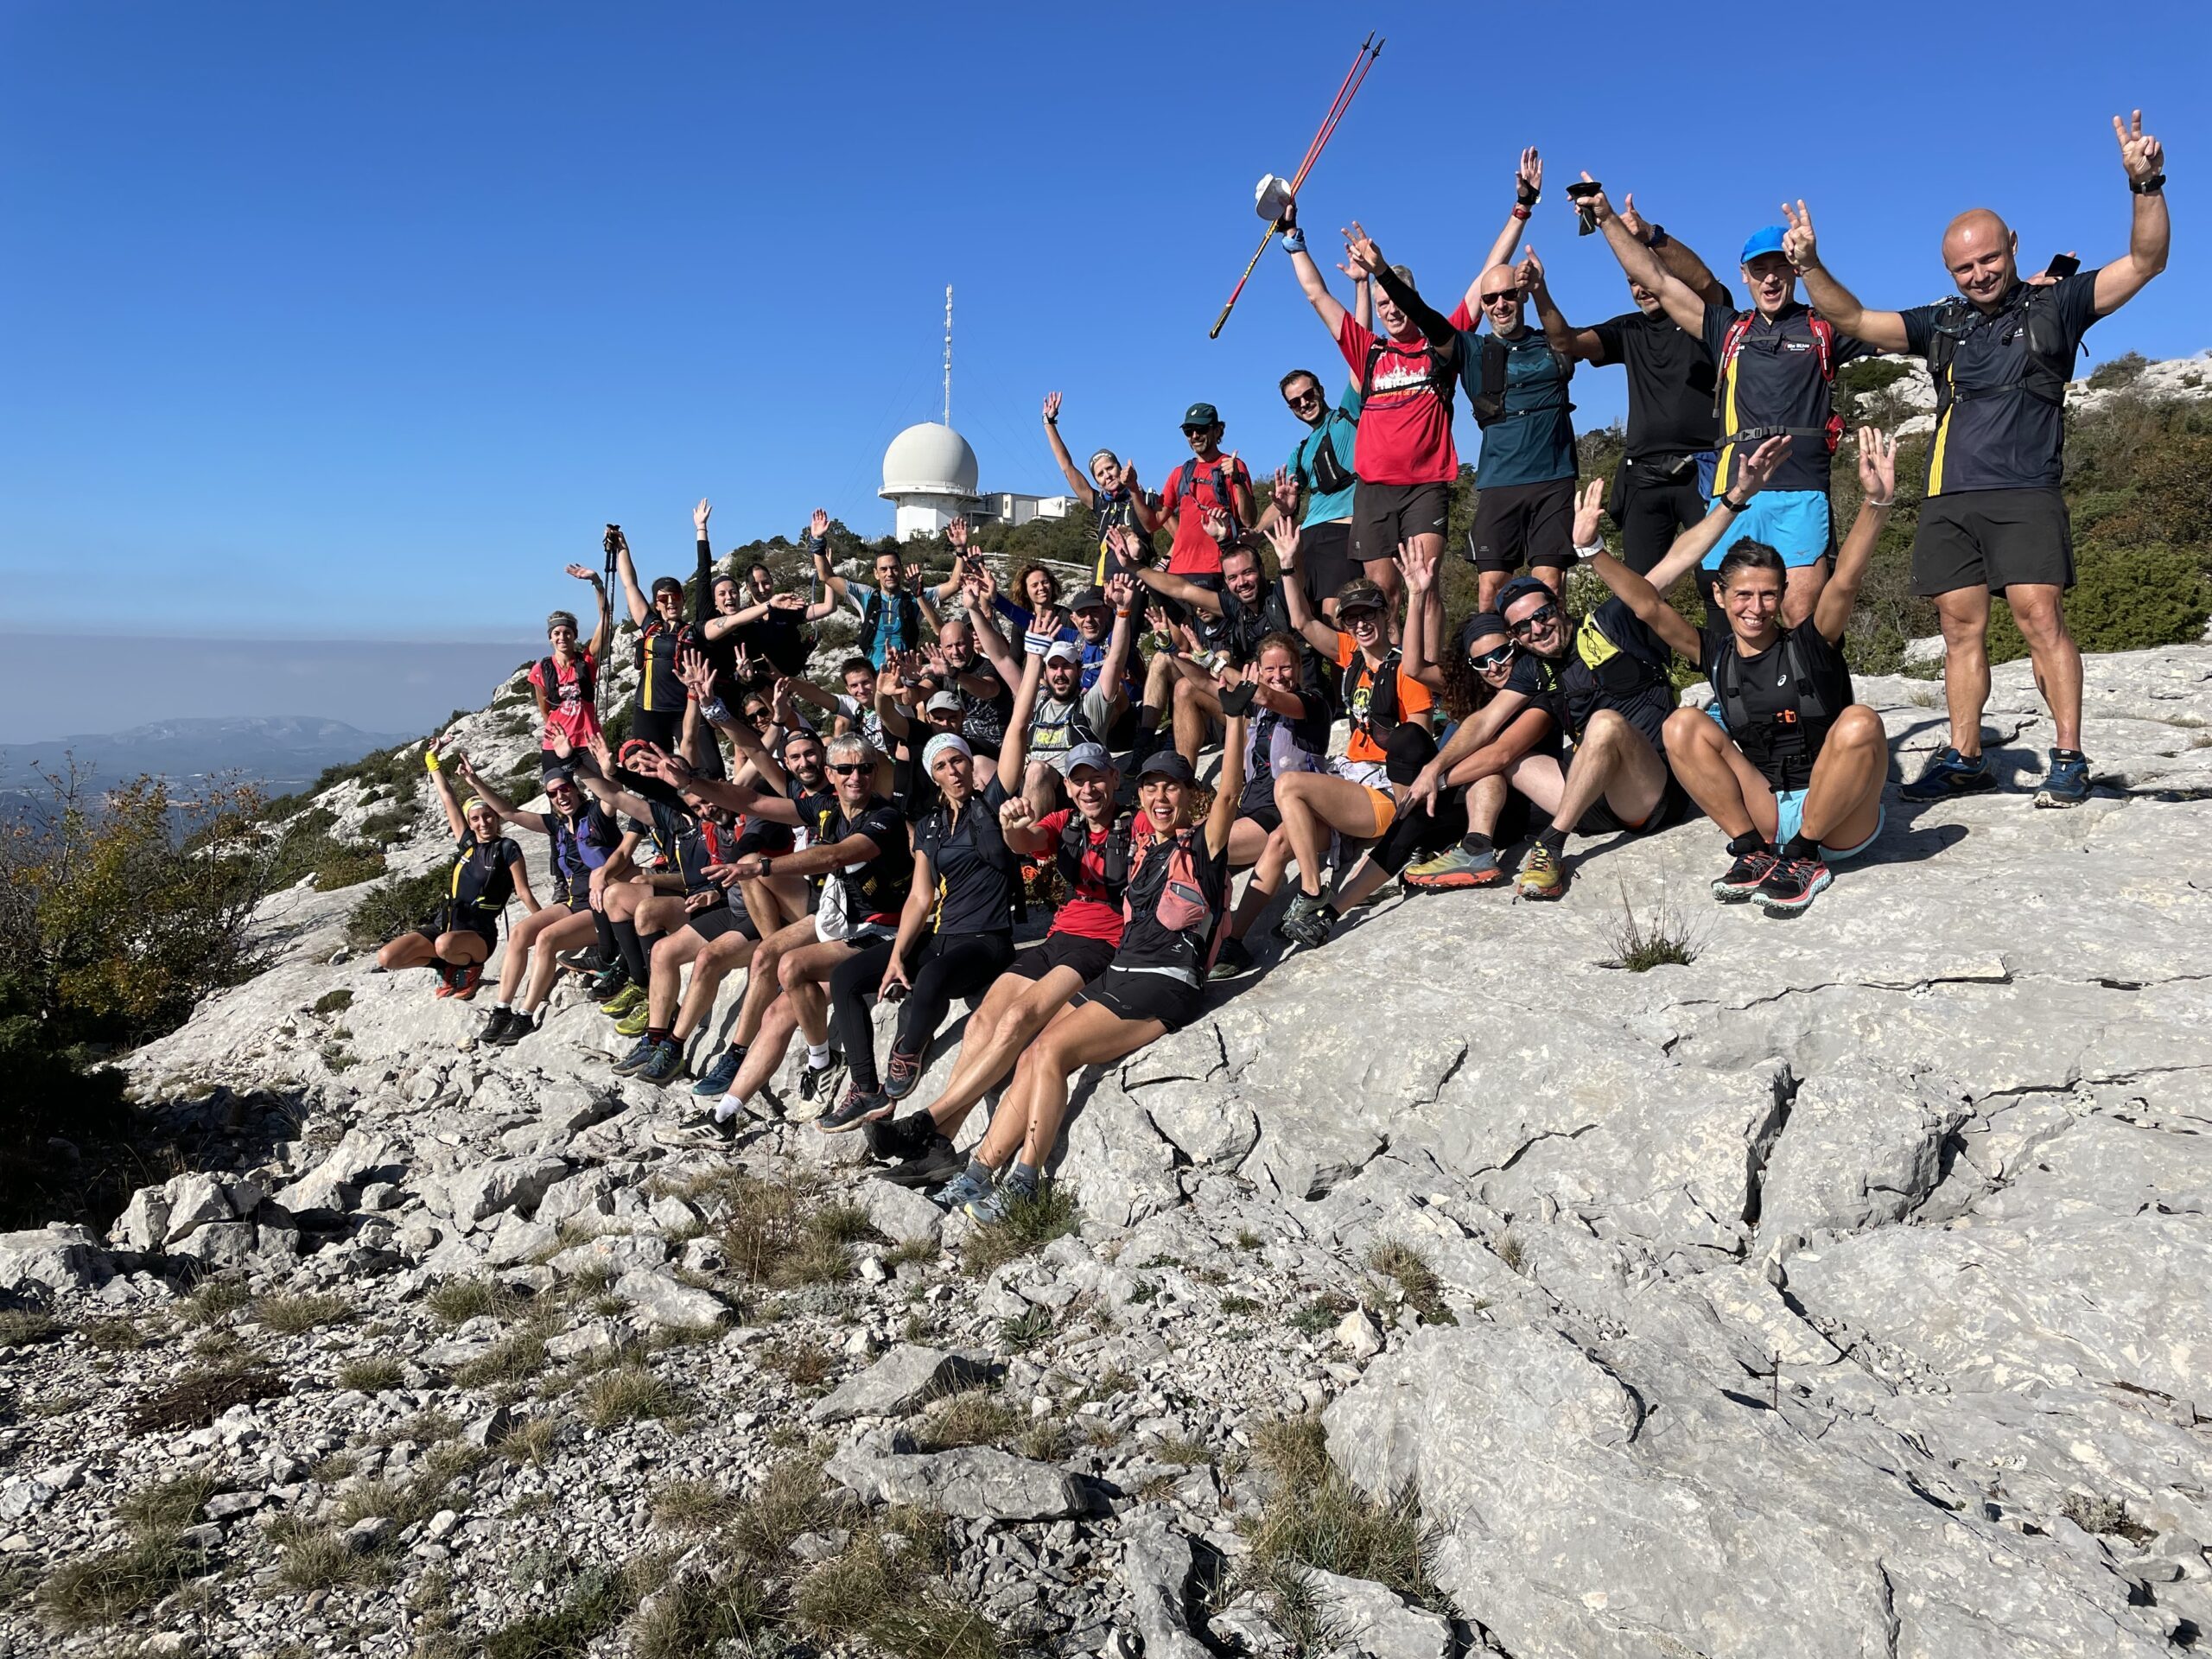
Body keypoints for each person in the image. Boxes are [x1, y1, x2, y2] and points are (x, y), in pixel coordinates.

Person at [1784, 110, 2171, 808]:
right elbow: (1851, 319)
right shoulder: (1943, 323)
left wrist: (2146, 186)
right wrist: (1809, 266)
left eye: (1989, 259)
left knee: (2039, 618)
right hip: (1949, 498)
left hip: (2025, 490)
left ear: (2012, 247)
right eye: (1963, 267)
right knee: (1960, 629)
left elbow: (2145, 262)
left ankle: (2068, 756)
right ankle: (1965, 756)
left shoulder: (2059, 307)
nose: (1979, 274)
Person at [1402, 435, 1800, 900]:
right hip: (1594, 801)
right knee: (1508, 755)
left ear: (1559, 606)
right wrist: (1434, 768)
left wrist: (1734, 498)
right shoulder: (1534, 667)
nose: (1537, 629)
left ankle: (1551, 844)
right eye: (1523, 627)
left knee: (1606, 724)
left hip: (1650, 793)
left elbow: (1679, 557)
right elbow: (1484, 721)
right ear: (1514, 637)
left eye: (1543, 614)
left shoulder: (1612, 620)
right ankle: (1477, 847)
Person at [1567, 429, 1899, 914]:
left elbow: (1844, 582)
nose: (1757, 608)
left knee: (1861, 722)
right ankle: (1753, 851)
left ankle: (1805, 859)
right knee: (1682, 724)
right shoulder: (1717, 653)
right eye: (1743, 595)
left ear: (1783, 594)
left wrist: (1875, 503)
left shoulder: (1810, 643)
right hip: (1768, 809)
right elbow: (1646, 606)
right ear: (1721, 596)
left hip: (1839, 817)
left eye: (1769, 594)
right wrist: (1591, 549)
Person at [932, 728, 1245, 1224]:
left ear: (1190, 794)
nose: (1161, 798)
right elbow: (1041, 839)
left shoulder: (1202, 847)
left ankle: (1025, 1184)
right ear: (1139, 795)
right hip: (1122, 971)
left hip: (1165, 981)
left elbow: (1230, 792)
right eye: (1152, 788)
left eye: (1172, 787)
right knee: (1033, 1050)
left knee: (1054, 1052)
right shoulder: (1143, 846)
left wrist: (1235, 720)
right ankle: (976, 1172)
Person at [1581, 176, 1873, 624]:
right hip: (1735, 489)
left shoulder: (1823, 326)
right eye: (1759, 269)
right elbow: (1656, 279)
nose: (1770, 277)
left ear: (1794, 269)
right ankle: (1742, 693)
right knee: (1735, 611)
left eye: (1780, 266)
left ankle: (1809, 695)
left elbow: (1869, 322)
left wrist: (1815, 266)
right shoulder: (1729, 329)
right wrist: (1605, 220)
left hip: (1801, 488)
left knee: (1800, 612)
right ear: (1745, 275)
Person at [863, 737, 1130, 1187]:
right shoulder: (1066, 820)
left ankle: (928, 1120)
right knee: (982, 1022)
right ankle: (941, 1147)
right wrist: (1011, 825)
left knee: (1019, 1019)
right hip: (1059, 935)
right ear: (1067, 786)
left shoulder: (1135, 823)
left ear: (1114, 779)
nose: (1088, 789)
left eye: (1097, 778)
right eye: (1079, 780)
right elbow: (1027, 840)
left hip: (1102, 942)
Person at [1354, 153, 1580, 609]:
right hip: (1472, 484)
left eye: (1506, 296)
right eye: (1384, 306)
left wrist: (1522, 209)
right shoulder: (1447, 346)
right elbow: (1393, 317)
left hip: (1519, 479)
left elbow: (1489, 274)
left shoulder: (1475, 337)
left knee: (1539, 588)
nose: (1497, 303)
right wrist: (1372, 277)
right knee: (1458, 591)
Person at [681, 731, 912, 1116]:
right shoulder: (825, 806)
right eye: (845, 770)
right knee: (775, 996)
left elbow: (836, 856)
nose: (856, 777)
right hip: (841, 920)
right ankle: (724, 1114)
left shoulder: (884, 816)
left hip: (883, 929)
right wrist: (688, 782)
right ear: (831, 774)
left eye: (865, 768)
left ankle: (822, 1062)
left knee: (792, 965)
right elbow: (752, 800)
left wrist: (760, 867)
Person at [812, 728, 1020, 1128]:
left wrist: (1030, 663)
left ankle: (907, 1050)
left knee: (932, 979)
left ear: (971, 763)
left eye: (959, 760)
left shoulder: (993, 805)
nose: (953, 771)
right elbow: (920, 898)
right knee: (846, 977)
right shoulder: (929, 826)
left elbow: (1016, 732)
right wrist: (896, 958)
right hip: (941, 935)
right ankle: (866, 1089)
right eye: (941, 766)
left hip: (988, 940)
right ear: (933, 776)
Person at [1529, 190, 1731, 575]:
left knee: (1718, 581)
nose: (1640, 288)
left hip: (1705, 466)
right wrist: (1540, 292)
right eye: (1631, 281)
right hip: (1645, 474)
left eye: (1645, 277)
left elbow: (1704, 281)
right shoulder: (1629, 329)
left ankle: (1723, 639)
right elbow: (1565, 341)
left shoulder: (1708, 320)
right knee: (1642, 587)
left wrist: (1650, 235)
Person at [1278, 198, 1452, 632]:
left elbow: (1477, 294)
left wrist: (1521, 208)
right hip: (1372, 498)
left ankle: (1431, 680)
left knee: (1424, 588)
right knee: (1381, 597)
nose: (1390, 309)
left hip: (1420, 485)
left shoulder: (1436, 347)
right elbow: (1317, 295)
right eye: (1382, 304)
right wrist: (1293, 240)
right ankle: (1392, 679)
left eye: (1397, 300)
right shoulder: (1370, 357)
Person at [1268, 521, 1441, 949]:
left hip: (1383, 792)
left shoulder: (1405, 669)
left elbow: (1415, 746)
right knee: (1282, 836)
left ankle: (1312, 893)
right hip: (1351, 780)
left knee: (1290, 786)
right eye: (1352, 618)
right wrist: (1290, 567)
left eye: (1369, 614)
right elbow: (1302, 621)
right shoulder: (1351, 657)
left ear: (1386, 615)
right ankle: (1233, 940)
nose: (1361, 624)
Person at [454, 752, 622, 1045]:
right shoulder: (557, 825)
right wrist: (474, 781)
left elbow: (612, 796)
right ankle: (502, 1008)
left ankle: (526, 1014)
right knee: (520, 933)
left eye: (565, 788)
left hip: (603, 906)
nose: (560, 796)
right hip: (575, 903)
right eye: (553, 793)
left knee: (546, 939)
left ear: (577, 788)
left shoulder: (597, 814)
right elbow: (509, 814)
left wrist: (601, 769)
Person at [1123, 522, 1310, 765]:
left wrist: (1288, 557)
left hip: (1291, 705)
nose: (1241, 582)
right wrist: (1133, 566)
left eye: (1248, 573)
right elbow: (1181, 589)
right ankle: (1185, 779)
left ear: (1262, 570)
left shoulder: (1281, 599)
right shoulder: (1237, 607)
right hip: (1255, 708)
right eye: (1232, 577)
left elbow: (1298, 582)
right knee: (1184, 688)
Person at [375, 747, 537, 998]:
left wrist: (546, 925)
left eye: (488, 816)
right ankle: (447, 966)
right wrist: (432, 762)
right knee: (388, 958)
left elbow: (523, 892)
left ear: (497, 817)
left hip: (478, 937)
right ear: (469, 822)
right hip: (445, 924)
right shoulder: (468, 843)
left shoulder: (507, 848)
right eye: (475, 819)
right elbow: (448, 798)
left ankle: (470, 968)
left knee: (444, 944)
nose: (483, 823)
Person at [1264, 271, 1370, 613]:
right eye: (1294, 402)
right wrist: (1256, 529)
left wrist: (1361, 285)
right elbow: (1282, 503)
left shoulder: (1347, 415)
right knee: (1300, 621)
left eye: (1308, 395)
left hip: (1343, 530)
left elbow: (1360, 346)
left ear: (1320, 391)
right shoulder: (1300, 451)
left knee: (1337, 612)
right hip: (1306, 538)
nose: (1303, 403)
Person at [1129, 402, 1255, 588]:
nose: (1195, 436)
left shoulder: (1233, 466)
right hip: (1178, 572)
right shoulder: (1179, 473)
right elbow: (1152, 524)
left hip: (1218, 570)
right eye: (1188, 431)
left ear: (1218, 430)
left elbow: (1248, 520)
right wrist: (1133, 488)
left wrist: (1237, 481)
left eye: (1201, 429)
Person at [808, 510, 945, 669]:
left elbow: (954, 585)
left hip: (906, 674)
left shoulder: (915, 598)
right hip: (873, 676)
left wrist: (960, 551)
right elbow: (826, 576)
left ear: (901, 570)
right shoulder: (865, 595)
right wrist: (817, 541)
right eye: (884, 569)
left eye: (894, 568)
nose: (889, 573)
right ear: (876, 573)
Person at [610, 520, 701, 753]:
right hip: (649, 711)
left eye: (676, 596)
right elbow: (630, 585)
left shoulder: (694, 630)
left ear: (683, 599)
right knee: (650, 772)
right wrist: (622, 547)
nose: (670, 602)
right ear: (656, 604)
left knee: (707, 773)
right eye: (662, 598)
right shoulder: (649, 625)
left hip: (686, 709)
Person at [1041, 391, 1147, 582]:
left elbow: (1178, 532)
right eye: (1100, 474)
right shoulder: (1100, 504)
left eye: (1110, 468)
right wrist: (1049, 423)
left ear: (1120, 467)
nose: (1107, 475)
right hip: (1104, 583)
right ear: (1097, 482)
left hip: (1139, 582)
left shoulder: (1144, 498)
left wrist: (1164, 563)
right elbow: (1067, 467)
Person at [529, 567, 613, 775]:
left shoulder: (586, 660)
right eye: (556, 633)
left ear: (574, 636)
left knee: (609, 792)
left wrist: (597, 583)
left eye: (567, 632)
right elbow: (544, 709)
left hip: (589, 739)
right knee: (558, 793)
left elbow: (606, 619)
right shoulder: (541, 669)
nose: (562, 637)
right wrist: (555, 733)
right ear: (550, 637)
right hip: (556, 742)